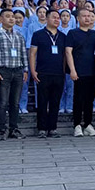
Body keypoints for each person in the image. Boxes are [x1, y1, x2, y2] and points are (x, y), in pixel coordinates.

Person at [0, 9, 28, 141]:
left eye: (13, 17)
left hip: (17, 71)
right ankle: (2, 130)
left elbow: (23, 54)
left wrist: (25, 70)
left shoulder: (19, 35)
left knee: (15, 103)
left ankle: (14, 129)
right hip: (3, 71)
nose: (11, 19)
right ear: (1, 19)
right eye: (8, 16)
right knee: (3, 102)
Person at [29, 10, 66, 138]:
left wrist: (64, 71)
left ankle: (53, 128)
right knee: (42, 101)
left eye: (58, 18)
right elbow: (32, 53)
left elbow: (65, 56)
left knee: (55, 102)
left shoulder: (63, 36)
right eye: (54, 17)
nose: (57, 20)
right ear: (47, 18)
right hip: (43, 73)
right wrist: (33, 70)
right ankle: (42, 128)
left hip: (58, 73)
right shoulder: (38, 35)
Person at [65, 9, 95, 137]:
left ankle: (88, 124)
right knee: (78, 99)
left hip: (93, 71)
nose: (87, 18)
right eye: (84, 16)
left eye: (89, 16)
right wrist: (72, 70)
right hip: (79, 71)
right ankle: (77, 125)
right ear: (78, 19)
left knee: (90, 100)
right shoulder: (72, 33)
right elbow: (68, 52)